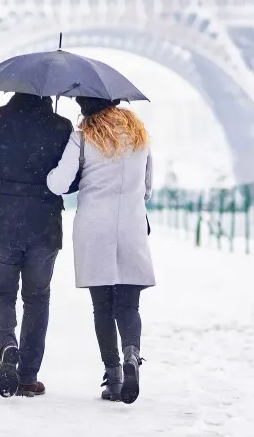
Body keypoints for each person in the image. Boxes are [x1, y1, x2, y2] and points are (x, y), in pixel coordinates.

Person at [0, 93, 74, 399]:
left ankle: (7, 344)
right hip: (44, 224)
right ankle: (27, 377)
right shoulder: (61, 127)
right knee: (37, 299)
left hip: (1, 221)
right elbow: (72, 180)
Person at [46, 97, 154, 405]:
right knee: (129, 306)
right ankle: (132, 354)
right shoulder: (139, 135)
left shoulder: (82, 136)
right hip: (131, 227)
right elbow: (147, 187)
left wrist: (53, 171)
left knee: (103, 308)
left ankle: (114, 377)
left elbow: (59, 183)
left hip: (95, 229)